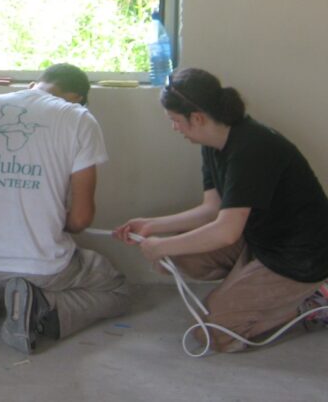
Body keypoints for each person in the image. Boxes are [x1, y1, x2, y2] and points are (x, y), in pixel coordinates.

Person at [114, 67, 328, 352]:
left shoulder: (252, 148)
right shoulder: (213, 144)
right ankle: (251, 287)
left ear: (197, 118)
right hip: (260, 240)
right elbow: (212, 209)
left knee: (214, 334)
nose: (174, 128)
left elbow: (227, 231)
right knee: (173, 258)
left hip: (301, 256)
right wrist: (152, 226)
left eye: (176, 121)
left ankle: (313, 300)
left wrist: (163, 245)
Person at [0, 63, 129, 354]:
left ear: (39, 83)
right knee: (117, 290)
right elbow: (82, 218)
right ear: (76, 97)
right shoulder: (78, 119)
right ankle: (42, 305)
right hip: (42, 267)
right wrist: (56, 222)